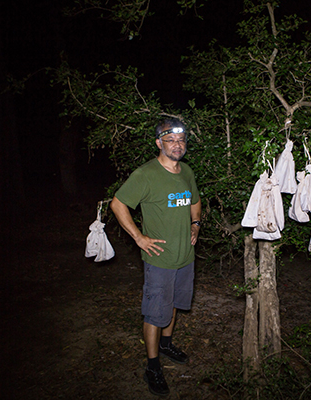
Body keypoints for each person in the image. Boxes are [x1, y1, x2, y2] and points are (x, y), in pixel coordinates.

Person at [110, 118, 201, 396]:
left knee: (173, 303)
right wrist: (139, 238)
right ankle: (152, 365)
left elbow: (195, 200)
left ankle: (166, 343)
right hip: (159, 259)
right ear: (159, 143)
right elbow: (118, 203)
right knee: (154, 313)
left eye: (181, 140)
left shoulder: (186, 171)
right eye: (171, 140)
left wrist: (195, 224)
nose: (177, 145)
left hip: (185, 257)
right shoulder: (146, 174)